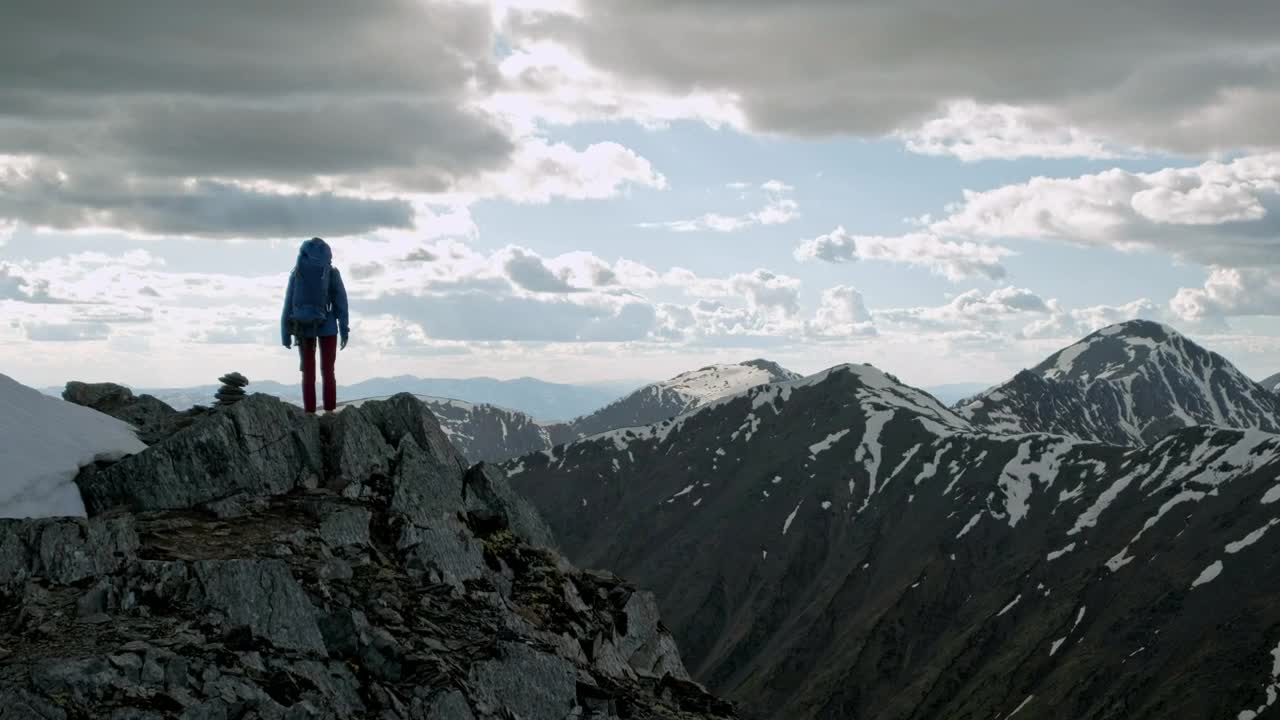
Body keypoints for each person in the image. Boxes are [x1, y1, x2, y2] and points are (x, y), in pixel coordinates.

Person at [281, 237, 349, 414]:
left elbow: (288, 303)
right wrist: (344, 329)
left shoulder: (297, 273)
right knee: (328, 370)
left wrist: (285, 333)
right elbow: (341, 302)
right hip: (328, 325)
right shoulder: (331, 272)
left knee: (308, 372)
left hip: (303, 325)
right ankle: (329, 412)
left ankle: (309, 413)